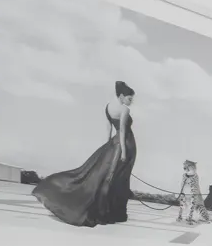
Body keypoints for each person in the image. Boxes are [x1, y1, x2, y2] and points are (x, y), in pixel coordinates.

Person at [33, 80, 138, 227]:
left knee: (102, 177)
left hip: (113, 145)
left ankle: (107, 211)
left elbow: (108, 131)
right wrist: (123, 153)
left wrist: (107, 149)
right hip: (125, 145)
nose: (131, 101)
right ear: (121, 96)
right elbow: (123, 131)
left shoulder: (108, 108)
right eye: (129, 98)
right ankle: (112, 212)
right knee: (119, 180)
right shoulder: (124, 110)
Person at [176, 159, 212, 224]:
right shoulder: (184, 176)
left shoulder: (195, 177)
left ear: (194, 167)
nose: (185, 168)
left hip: (197, 205)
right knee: (183, 202)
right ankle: (181, 216)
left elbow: (194, 200)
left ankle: (196, 218)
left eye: (188, 166)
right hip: (187, 200)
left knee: (196, 205)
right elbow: (182, 198)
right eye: (184, 166)